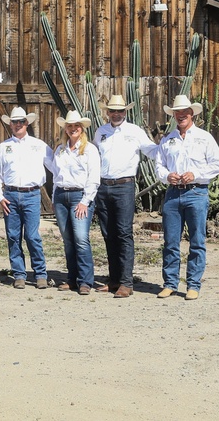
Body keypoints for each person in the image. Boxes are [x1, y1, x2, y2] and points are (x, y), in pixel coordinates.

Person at [154, 95, 219, 301]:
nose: (181, 115)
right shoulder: (168, 140)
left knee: (197, 240)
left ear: (192, 113)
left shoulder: (204, 137)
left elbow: (217, 164)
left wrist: (196, 174)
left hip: (196, 192)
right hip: (173, 193)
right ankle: (170, 283)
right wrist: (167, 176)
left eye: (185, 111)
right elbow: (159, 165)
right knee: (171, 241)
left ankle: (193, 284)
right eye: (178, 112)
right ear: (174, 115)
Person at [93, 94, 157, 298]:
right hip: (103, 186)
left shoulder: (134, 131)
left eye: (120, 111)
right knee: (108, 234)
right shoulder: (100, 132)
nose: (116, 114)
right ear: (107, 112)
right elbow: (93, 157)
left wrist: (167, 146)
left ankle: (126, 282)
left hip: (124, 186)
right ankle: (113, 280)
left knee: (123, 233)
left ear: (125, 112)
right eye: (112, 110)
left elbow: (151, 151)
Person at [0, 106, 53, 290]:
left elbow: (56, 166)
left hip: (32, 194)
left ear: (27, 123)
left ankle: (40, 273)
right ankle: (19, 274)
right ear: (10, 124)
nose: (18, 125)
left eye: (21, 122)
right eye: (15, 122)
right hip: (10, 195)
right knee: (13, 235)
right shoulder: (3, 147)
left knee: (32, 236)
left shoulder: (39, 145)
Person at [47, 110, 100, 295]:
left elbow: (94, 177)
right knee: (68, 240)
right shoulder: (60, 149)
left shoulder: (90, 149)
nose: (72, 129)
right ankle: (72, 278)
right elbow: (56, 175)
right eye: (69, 126)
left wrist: (86, 201)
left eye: (76, 126)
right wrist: (54, 198)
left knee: (81, 239)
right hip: (62, 195)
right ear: (65, 129)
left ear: (82, 128)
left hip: (80, 196)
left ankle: (85, 281)